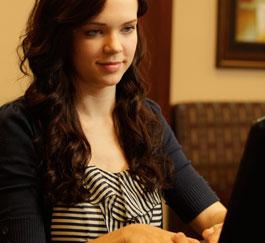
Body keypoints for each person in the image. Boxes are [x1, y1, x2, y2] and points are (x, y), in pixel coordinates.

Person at [0, 0, 227, 242]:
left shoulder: (146, 118)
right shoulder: (18, 126)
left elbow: (212, 213)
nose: (115, 47)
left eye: (128, 28)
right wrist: (125, 237)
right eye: (94, 32)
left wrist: (225, 227)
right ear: (61, 36)